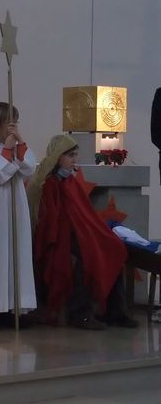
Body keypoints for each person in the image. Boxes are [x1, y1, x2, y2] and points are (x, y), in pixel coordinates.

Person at [26, 134, 137, 330]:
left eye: (75, 155)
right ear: (58, 156)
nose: (74, 160)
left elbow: (85, 212)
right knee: (87, 255)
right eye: (70, 155)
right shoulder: (47, 182)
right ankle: (80, 313)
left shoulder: (70, 181)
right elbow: (47, 219)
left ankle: (115, 311)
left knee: (115, 248)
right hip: (58, 237)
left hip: (78, 231)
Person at [0, 102, 37, 329]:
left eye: (16, 123)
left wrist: (18, 145)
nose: (12, 128)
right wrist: (7, 152)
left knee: (17, 252)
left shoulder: (17, 145)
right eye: (8, 123)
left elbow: (29, 168)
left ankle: (16, 306)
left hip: (16, 204)